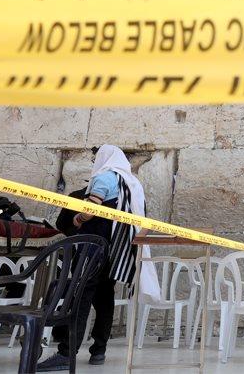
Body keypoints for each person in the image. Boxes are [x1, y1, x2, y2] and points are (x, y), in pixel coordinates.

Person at [38, 145, 159, 371]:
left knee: (81, 295)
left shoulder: (104, 178)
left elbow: (93, 208)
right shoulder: (132, 185)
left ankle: (67, 352)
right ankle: (99, 349)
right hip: (114, 250)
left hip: (92, 249)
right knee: (105, 298)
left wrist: (78, 220)